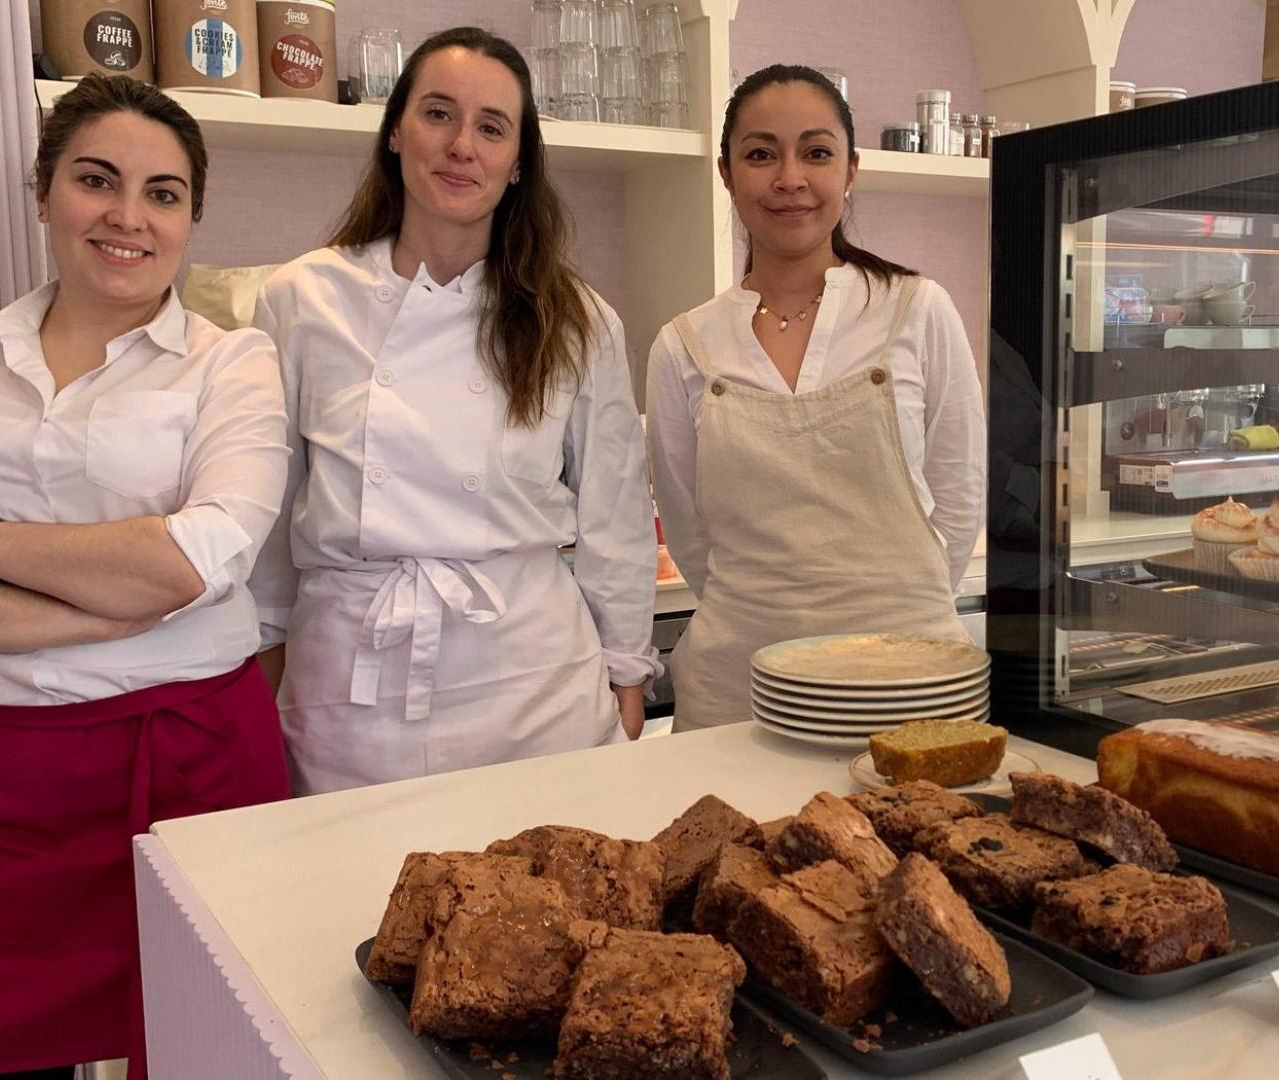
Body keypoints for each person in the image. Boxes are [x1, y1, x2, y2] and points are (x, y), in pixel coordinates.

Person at [0, 75, 292, 1079]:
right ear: (45, 191)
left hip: (194, 767)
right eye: (98, 180)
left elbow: (188, 561)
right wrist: (99, 609)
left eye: (165, 192)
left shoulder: (233, 365)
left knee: (209, 1056)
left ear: (190, 216)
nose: (129, 216)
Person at [250, 28, 659, 794]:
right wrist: (264, 676)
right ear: (397, 130)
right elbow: (268, 526)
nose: (461, 145)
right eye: (439, 114)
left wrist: (628, 674)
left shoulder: (576, 318)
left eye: (491, 127)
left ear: (515, 165)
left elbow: (617, 515)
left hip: (534, 686)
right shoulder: (301, 300)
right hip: (352, 696)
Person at [645, 65, 986, 730]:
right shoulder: (683, 346)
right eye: (761, 154)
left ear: (851, 170)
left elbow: (961, 496)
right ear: (726, 173)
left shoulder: (917, 310)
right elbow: (689, 534)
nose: (790, 178)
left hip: (910, 688)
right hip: (740, 690)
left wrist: (893, 616)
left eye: (817, 152)